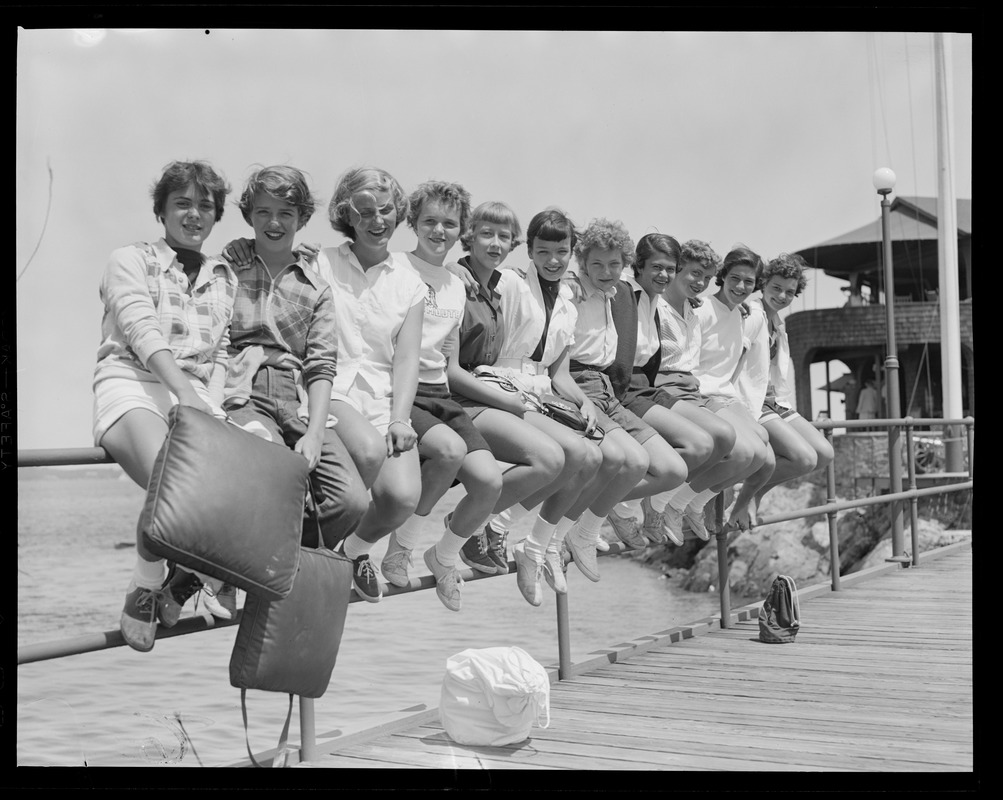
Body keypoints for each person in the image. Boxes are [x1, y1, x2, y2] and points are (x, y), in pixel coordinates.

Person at [94, 160, 237, 652]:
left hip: (195, 395)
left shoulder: (224, 275)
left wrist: (210, 405)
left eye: (205, 206)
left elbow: (219, 353)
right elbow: (140, 329)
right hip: (132, 381)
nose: (194, 214)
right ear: (161, 209)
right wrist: (186, 392)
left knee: (241, 493)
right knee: (173, 482)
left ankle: (191, 576)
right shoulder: (129, 259)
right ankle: (147, 580)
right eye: (182, 203)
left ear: (217, 214)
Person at [223, 165, 369, 572]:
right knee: (275, 476)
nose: (274, 222)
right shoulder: (227, 268)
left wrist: (316, 432)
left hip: (297, 395)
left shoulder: (315, 286)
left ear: (302, 219)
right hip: (242, 390)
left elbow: (322, 365)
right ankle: (241, 570)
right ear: (249, 215)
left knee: (351, 500)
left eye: (285, 213)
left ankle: (273, 562)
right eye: (263, 212)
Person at [445, 201, 582, 603]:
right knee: (564, 455)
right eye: (543, 251)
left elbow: (561, 372)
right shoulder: (510, 282)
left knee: (584, 456)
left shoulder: (571, 300)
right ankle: (477, 526)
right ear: (530, 252)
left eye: (562, 252)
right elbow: (465, 268)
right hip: (499, 382)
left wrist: (585, 405)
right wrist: (455, 267)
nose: (553, 260)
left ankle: (524, 540)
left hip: (533, 390)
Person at [376, 180, 504, 611]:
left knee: (489, 482)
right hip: (401, 392)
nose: (438, 231)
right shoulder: (392, 267)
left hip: (440, 391)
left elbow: (448, 355)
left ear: (461, 230)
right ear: (412, 222)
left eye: (449, 224)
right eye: (429, 221)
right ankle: (401, 547)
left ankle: (444, 554)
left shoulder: (455, 283)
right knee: (448, 452)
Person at [310, 166, 426, 603]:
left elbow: (408, 358)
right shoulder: (320, 262)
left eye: (385, 210)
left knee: (401, 498)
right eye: (364, 212)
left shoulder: (410, 282)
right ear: (347, 216)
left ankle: (354, 551)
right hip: (329, 389)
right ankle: (316, 556)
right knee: (369, 451)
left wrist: (400, 417)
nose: (377, 221)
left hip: (381, 397)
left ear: (398, 212)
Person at [559, 218, 690, 583]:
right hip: (578, 385)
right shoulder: (571, 291)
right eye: (597, 264)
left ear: (623, 264)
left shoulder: (613, 293)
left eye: (613, 264)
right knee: (627, 461)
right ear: (581, 263)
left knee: (673, 469)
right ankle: (579, 530)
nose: (605, 271)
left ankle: (590, 520)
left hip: (606, 389)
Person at [617, 233, 737, 545]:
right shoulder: (630, 295)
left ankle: (669, 502)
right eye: (694, 273)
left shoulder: (675, 305)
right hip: (644, 387)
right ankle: (640, 504)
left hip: (664, 387)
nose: (700, 282)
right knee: (707, 442)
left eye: (707, 278)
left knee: (724, 439)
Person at [736, 251, 834, 509]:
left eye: (789, 292)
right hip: (753, 402)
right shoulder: (752, 315)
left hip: (776, 401)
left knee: (823, 454)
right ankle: (746, 498)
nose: (781, 296)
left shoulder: (777, 323)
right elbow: (733, 361)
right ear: (764, 284)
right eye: (776, 288)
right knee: (803, 458)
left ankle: (753, 492)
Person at [688, 244, 775, 530]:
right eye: (735, 278)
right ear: (723, 276)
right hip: (703, 392)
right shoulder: (701, 309)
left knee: (766, 459)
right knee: (745, 454)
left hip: (725, 392)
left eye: (749, 282)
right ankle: (685, 502)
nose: (740, 286)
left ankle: (697, 501)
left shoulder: (741, 314)